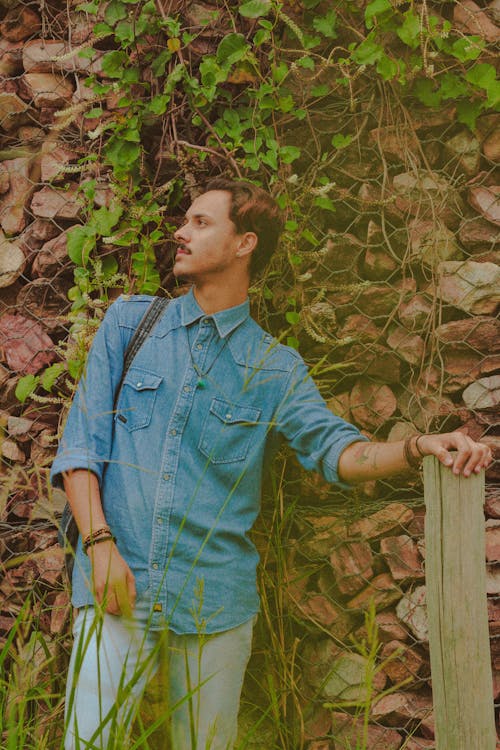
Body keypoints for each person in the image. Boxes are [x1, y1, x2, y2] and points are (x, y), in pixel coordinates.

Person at [50, 178, 492, 750]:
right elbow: (81, 446)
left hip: (213, 604)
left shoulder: (274, 368)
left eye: (202, 222)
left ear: (245, 243)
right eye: (185, 221)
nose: (181, 233)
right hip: (115, 586)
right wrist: (100, 544)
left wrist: (416, 447)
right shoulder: (131, 325)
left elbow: (338, 450)